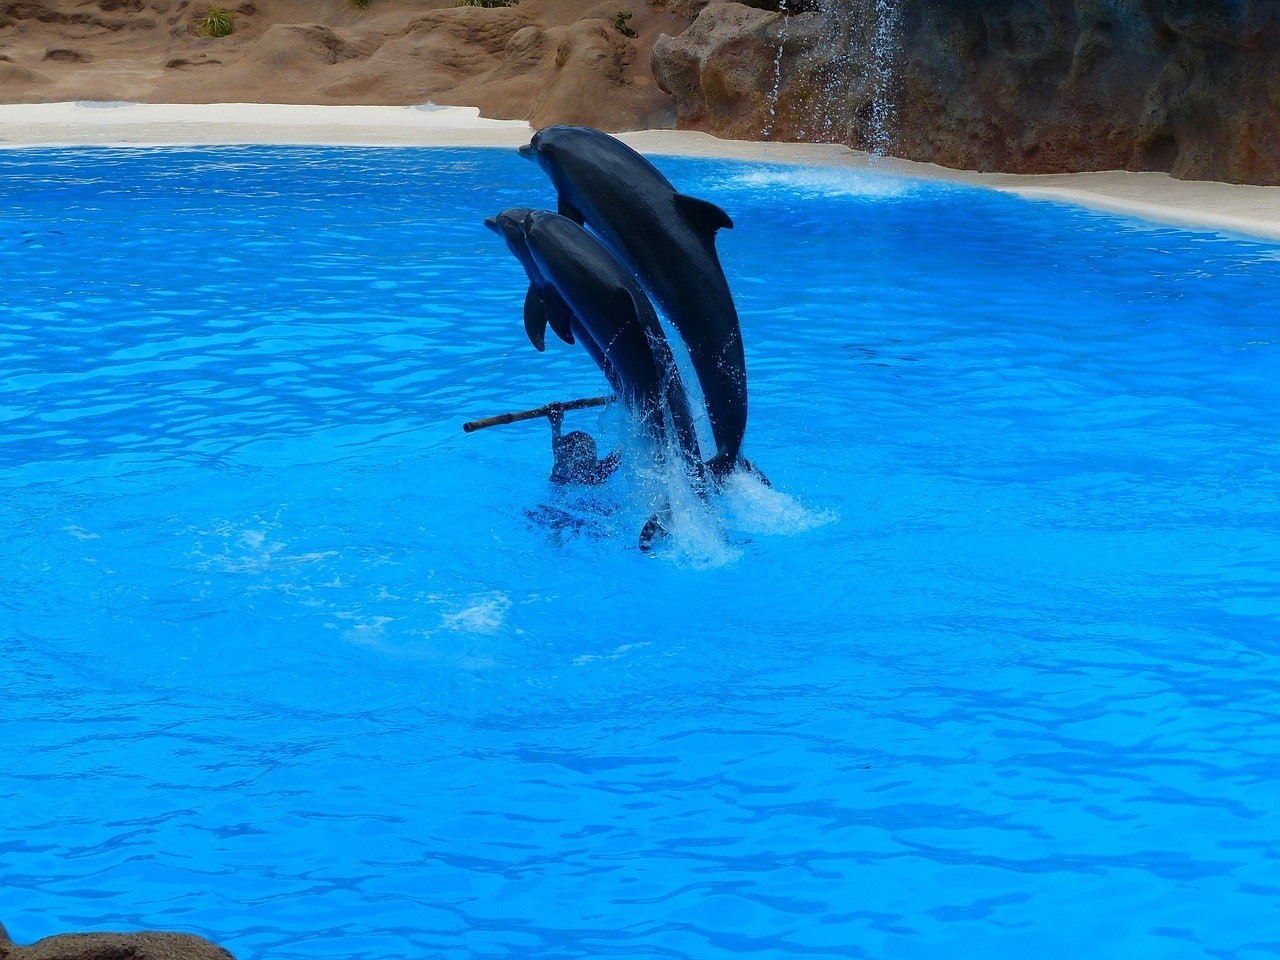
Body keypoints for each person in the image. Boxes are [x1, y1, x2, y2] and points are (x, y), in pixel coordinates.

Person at [547, 402, 619, 485]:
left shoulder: (599, 471)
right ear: (570, 457)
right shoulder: (564, 474)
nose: (592, 456)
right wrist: (555, 424)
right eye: (585, 452)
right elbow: (559, 455)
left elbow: (624, 449)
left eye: (592, 450)